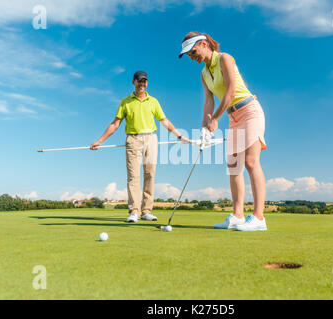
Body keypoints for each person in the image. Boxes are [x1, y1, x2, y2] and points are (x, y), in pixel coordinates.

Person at [179, 32, 267, 231]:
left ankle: (259, 218)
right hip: (233, 117)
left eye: (193, 52)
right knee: (234, 165)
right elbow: (208, 102)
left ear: (203, 44)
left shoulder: (225, 58)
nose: (192, 58)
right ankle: (237, 215)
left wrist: (215, 119)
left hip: (250, 111)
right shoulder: (203, 74)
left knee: (251, 162)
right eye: (189, 56)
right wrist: (204, 129)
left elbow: (231, 93)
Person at [91, 70, 188, 223]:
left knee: (150, 175)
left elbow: (164, 121)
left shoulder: (153, 101)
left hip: (151, 139)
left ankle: (146, 211)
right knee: (133, 177)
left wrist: (179, 135)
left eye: (144, 81)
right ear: (133, 82)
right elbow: (115, 124)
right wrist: (100, 140)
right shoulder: (125, 102)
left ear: (147, 83)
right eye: (139, 81)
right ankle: (134, 211)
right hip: (133, 140)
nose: (142, 84)